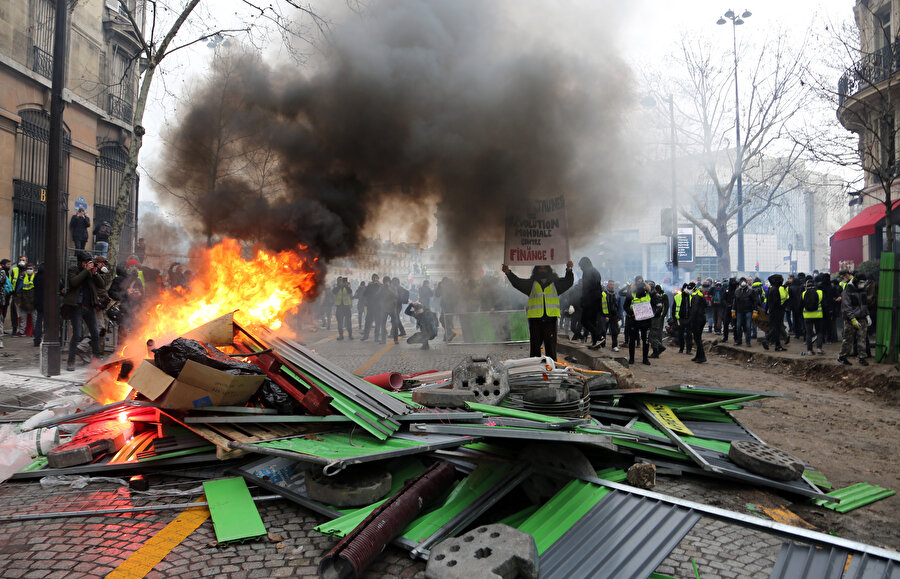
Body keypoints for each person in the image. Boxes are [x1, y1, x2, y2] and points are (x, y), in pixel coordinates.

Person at [503, 261, 574, 360]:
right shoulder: (531, 284)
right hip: (535, 321)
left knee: (551, 348)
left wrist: (569, 269)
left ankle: (552, 369)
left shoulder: (555, 283)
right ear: (536, 270)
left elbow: (568, 282)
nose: (542, 270)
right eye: (540, 268)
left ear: (548, 269)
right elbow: (517, 282)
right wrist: (508, 272)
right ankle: (535, 368)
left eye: (544, 268)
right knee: (535, 348)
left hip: (550, 320)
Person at [63, 251, 103, 371]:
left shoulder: (90, 273)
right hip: (77, 306)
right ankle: (71, 361)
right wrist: (86, 270)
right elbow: (74, 282)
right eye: (86, 262)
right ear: (81, 262)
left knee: (95, 334)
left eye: (89, 262)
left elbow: (101, 284)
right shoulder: (73, 270)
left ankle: (96, 361)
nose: (88, 264)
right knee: (77, 335)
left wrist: (95, 273)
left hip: (89, 306)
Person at [838, 274, 869, 366]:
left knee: (862, 338)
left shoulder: (863, 290)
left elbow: (864, 304)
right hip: (850, 319)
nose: (862, 284)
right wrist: (853, 319)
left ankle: (862, 357)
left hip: (862, 317)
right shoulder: (847, 291)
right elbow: (846, 307)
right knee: (848, 339)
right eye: (861, 282)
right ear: (856, 281)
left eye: (864, 283)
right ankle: (842, 357)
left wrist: (867, 315)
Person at [624, 277, 653, 365]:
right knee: (632, 340)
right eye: (638, 281)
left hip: (646, 320)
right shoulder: (631, 293)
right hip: (634, 320)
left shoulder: (649, 293)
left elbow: (655, 305)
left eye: (641, 281)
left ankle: (645, 359)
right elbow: (625, 306)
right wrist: (631, 313)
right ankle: (632, 358)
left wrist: (652, 312)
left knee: (646, 340)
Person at [576, 257, 604, 348]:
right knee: (592, 321)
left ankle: (599, 336)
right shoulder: (596, 271)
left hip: (590, 300)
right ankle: (595, 343)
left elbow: (586, 288)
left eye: (581, 266)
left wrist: (582, 300)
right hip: (597, 300)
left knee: (584, 321)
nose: (580, 268)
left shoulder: (587, 272)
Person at [760, 274, 788, 352]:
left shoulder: (771, 288)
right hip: (777, 312)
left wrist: (766, 310)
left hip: (772, 311)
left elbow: (768, 301)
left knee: (776, 328)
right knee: (775, 328)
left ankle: (778, 345)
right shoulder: (776, 289)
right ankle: (766, 340)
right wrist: (782, 307)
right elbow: (776, 302)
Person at [800, 278, 825, 356]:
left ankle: (809, 350)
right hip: (818, 316)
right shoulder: (820, 292)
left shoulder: (803, 293)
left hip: (807, 316)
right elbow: (825, 304)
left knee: (808, 333)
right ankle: (819, 348)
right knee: (819, 332)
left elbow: (800, 305)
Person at [14, 262, 38, 336]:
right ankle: (22, 331)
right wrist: (19, 301)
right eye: (28, 269)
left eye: (31, 269)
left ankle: (35, 331)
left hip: (33, 302)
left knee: (35, 318)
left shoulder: (36, 278)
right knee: (23, 318)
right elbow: (19, 291)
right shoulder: (23, 278)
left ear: (34, 270)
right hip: (24, 301)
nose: (29, 270)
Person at [687, 281, 707, 363]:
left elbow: (694, 310)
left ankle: (702, 357)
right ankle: (698, 355)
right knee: (698, 338)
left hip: (698, 320)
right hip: (701, 318)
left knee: (697, 338)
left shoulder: (696, 297)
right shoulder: (699, 294)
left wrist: (690, 320)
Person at [435, 277, 458, 343]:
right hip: (445, 306)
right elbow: (437, 294)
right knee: (446, 321)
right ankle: (448, 335)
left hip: (449, 306)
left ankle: (450, 333)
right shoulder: (444, 287)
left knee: (444, 320)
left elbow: (453, 296)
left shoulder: (450, 287)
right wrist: (439, 287)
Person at [648, 281, 668, 358]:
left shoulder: (656, 295)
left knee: (652, 337)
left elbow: (659, 308)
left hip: (655, 319)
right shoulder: (652, 295)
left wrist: (653, 315)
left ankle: (659, 347)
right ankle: (656, 352)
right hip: (654, 318)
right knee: (652, 336)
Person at [598, 280, 619, 351]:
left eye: (613, 285)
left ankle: (614, 346)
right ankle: (602, 344)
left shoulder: (615, 293)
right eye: (610, 285)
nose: (612, 286)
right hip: (605, 315)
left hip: (614, 315)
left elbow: (617, 304)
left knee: (614, 331)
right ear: (607, 285)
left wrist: (618, 315)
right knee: (603, 331)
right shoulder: (604, 293)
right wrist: (606, 315)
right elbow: (603, 305)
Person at [361, 274, 383, 341]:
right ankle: (366, 336)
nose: (374, 279)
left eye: (375, 278)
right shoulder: (371, 286)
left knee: (377, 322)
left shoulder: (380, 286)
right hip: (372, 306)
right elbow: (364, 294)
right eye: (374, 278)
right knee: (368, 322)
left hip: (377, 306)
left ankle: (375, 337)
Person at [673, 283, 692, 354]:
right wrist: (675, 319)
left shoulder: (691, 297)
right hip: (680, 319)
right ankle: (681, 348)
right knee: (680, 334)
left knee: (689, 335)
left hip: (689, 318)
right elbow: (673, 309)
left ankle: (688, 350)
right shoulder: (677, 297)